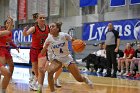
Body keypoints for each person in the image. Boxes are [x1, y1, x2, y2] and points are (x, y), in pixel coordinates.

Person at [41, 22, 93, 93]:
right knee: (50, 72)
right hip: (57, 59)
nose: (51, 28)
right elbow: (42, 52)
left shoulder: (64, 35)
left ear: (57, 29)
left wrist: (82, 44)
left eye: (53, 26)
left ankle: (85, 79)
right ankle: (52, 91)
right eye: (50, 27)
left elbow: (74, 41)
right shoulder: (48, 39)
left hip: (67, 58)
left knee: (79, 79)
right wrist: (46, 47)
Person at [23, 13, 50, 90]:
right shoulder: (34, 28)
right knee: (35, 69)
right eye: (40, 18)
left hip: (42, 51)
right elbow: (25, 34)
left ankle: (36, 83)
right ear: (37, 19)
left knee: (41, 68)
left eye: (43, 18)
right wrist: (24, 31)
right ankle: (34, 82)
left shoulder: (48, 28)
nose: (42, 19)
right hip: (34, 50)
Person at [0, 16, 14, 93]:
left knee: (8, 72)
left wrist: (11, 21)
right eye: (7, 23)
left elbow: (8, 31)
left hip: (3, 49)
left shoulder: (2, 31)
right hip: (1, 50)